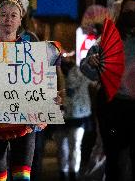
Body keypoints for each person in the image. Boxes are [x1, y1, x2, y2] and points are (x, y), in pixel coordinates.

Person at [0, 0, 64, 181]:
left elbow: (41, 85)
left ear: (20, 21)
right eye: (3, 15)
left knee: (22, 176)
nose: (8, 20)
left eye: (13, 15)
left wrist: (50, 99)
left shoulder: (32, 53)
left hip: (24, 124)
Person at [80, 0, 135, 181]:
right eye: (128, 11)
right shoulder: (108, 39)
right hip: (113, 107)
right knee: (114, 158)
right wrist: (92, 62)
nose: (132, 15)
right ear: (120, 14)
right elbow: (87, 67)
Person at [54, 51, 94, 181]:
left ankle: (73, 174)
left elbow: (93, 80)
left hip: (78, 115)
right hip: (62, 114)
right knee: (62, 148)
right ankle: (63, 173)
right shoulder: (52, 73)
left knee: (75, 145)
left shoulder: (82, 71)